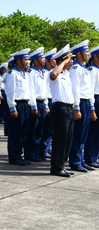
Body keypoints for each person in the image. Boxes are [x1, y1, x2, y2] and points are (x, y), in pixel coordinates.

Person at [48, 45, 76, 177]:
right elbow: (53, 75)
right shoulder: (56, 73)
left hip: (69, 109)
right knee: (60, 139)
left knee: (67, 139)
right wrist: (63, 62)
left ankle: (62, 165)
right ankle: (56, 167)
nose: (72, 61)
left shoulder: (67, 74)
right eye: (70, 59)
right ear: (63, 60)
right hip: (60, 109)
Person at [68, 40, 96, 172]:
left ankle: (81, 160)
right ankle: (75, 161)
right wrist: (77, 108)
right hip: (80, 103)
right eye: (86, 51)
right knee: (78, 134)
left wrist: (91, 107)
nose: (88, 54)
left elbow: (89, 90)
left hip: (86, 103)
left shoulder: (84, 69)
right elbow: (75, 89)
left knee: (83, 135)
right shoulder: (75, 69)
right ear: (79, 53)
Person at [3, 49, 32, 165]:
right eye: (25, 59)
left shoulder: (24, 73)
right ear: (18, 60)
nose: (27, 62)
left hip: (25, 104)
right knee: (16, 132)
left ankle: (19, 155)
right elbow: (10, 92)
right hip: (17, 104)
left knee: (23, 132)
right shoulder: (12, 74)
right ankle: (14, 156)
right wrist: (12, 108)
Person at [24, 48, 50, 163]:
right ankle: (30, 153)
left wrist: (46, 105)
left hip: (42, 103)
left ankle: (37, 152)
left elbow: (44, 91)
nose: (44, 59)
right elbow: (31, 91)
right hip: (34, 104)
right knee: (33, 130)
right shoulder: (31, 73)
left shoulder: (42, 72)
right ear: (36, 60)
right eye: (42, 58)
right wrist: (34, 107)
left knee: (40, 130)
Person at [85, 46, 99, 168]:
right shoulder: (92, 70)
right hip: (95, 99)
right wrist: (92, 108)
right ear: (95, 56)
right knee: (93, 131)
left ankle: (96, 156)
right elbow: (90, 91)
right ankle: (91, 157)